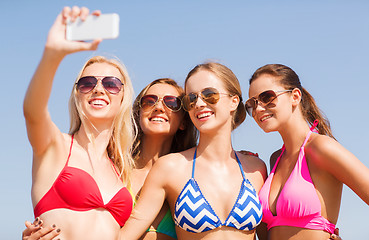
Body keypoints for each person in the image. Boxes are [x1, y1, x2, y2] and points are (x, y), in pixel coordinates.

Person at [118, 62, 268, 240]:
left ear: (234, 101)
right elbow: (127, 235)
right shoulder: (169, 167)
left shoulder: (256, 169)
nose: (199, 103)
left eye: (209, 95)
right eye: (191, 99)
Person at [22, 6, 135, 240]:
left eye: (111, 84)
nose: (98, 89)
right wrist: (52, 55)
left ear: (123, 96)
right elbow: (34, 112)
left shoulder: (123, 169)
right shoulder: (56, 147)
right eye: (88, 83)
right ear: (77, 94)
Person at [245, 63, 369, 239]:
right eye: (252, 103)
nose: (258, 109)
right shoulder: (275, 159)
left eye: (267, 97)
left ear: (295, 96)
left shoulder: (321, 148)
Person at [130, 78, 197, 240]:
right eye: (149, 101)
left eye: (171, 103)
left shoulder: (192, 175)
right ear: (138, 114)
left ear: (183, 122)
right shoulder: (115, 168)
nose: (159, 107)